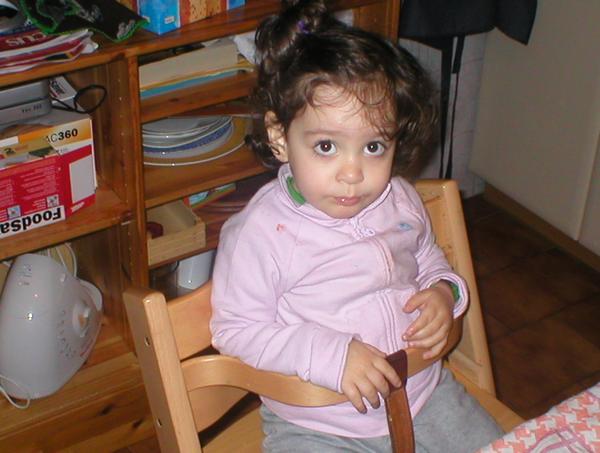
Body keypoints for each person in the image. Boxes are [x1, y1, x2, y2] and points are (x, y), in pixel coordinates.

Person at [210, 0, 503, 451]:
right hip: (316, 423)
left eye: (373, 147)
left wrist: (445, 293)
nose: (353, 173)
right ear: (279, 137)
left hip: (424, 396)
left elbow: (427, 258)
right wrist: (331, 354)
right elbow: (236, 330)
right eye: (326, 146)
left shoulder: (400, 199)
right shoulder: (260, 234)